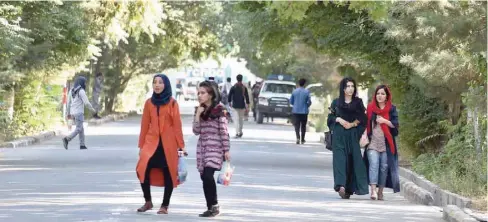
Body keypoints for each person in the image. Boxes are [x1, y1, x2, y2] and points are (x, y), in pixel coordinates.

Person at [135, 74, 186, 214]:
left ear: (166, 85)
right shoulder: (148, 103)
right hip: (151, 143)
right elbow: (144, 125)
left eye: (160, 82)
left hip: (168, 144)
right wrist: (141, 146)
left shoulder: (172, 103)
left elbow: (177, 126)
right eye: (155, 82)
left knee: (168, 172)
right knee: (142, 168)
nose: (157, 85)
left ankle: (165, 205)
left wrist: (181, 146)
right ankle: (148, 201)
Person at [193, 81, 231, 217]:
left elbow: (224, 131)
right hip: (202, 148)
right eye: (199, 93)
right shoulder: (199, 109)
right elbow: (196, 131)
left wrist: (226, 150)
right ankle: (210, 207)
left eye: (203, 93)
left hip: (216, 148)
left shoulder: (219, 110)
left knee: (209, 175)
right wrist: (198, 114)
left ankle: (214, 205)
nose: (200, 95)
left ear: (210, 94)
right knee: (204, 177)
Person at [327, 77, 369, 199]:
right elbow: (330, 119)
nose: (350, 89)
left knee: (352, 161)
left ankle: (348, 189)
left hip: (353, 135)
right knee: (340, 160)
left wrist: (352, 124)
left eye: (352, 86)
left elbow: (363, 119)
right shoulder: (336, 103)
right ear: (343, 88)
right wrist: (338, 119)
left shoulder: (358, 102)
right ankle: (341, 186)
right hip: (339, 135)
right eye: (348, 86)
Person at [363, 85, 400, 200]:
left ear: (387, 96)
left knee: (384, 167)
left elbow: (395, 125)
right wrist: (364, 135)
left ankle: (380, 191)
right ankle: (373, 191)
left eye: (383, 94)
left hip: (386, 143)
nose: (380, 96)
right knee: (374, 164)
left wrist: (384, 121)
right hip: (372, 142)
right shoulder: (370, 108)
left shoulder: (392, 109)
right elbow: (365, 124)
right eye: (378, 93)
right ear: (375, 95)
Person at [63, 76, 96, 150]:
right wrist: (93, 110)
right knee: (79, 128)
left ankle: (82, 144)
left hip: (72, 112)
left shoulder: (71, 90)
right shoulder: (81, 91)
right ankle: (67, 139)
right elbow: (86, 103)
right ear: (81, 83)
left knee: (81, 129)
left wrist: (68, 113)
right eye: (84, 83)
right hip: (79, 113)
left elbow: (68, 103)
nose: (85, 84)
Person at [290, 78, 312, 144]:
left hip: (296, 111)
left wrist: (296, 104)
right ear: (304, 84)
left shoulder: (294, 91)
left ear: (298, 83)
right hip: (304, 111)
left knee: (296, 125)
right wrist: (306, 106)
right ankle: (302, 139)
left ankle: (297, 138)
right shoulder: (307, 92)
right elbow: (309, 102)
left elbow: (291, 101)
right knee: (303, 126)